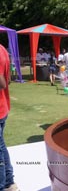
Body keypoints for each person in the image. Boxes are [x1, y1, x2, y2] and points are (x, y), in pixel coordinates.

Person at [0, 44, 19, 191]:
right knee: (1, 147)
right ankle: (9, 182)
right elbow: (9, 80)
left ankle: (4, 185)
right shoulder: (2, 49)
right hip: (3, 107)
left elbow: (2, 83)